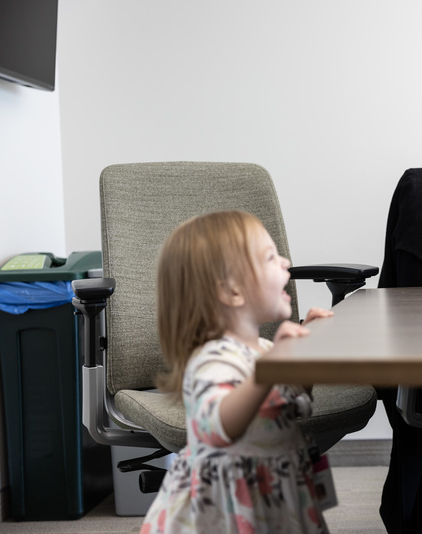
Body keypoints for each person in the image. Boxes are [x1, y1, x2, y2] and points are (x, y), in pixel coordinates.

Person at [140, 210, 333, 534]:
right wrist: (268, 371)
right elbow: (218, 425)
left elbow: (291, 396)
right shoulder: (211, 360)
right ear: (232, 291)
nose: (286, 262)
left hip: (272, 493)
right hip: (230, 509)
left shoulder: (262, 347)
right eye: (271, 257)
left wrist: (303, 354)